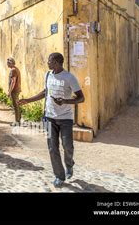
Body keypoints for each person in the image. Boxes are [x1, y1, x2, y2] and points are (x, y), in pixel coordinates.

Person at [19, 52, 85, 188]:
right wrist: (28, 100)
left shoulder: (69, 77)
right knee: (52, 148)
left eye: (49, 61)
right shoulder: (48, 75)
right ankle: (59, 176)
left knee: (67, 146)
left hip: (65, 118)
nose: (47, 63)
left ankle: (69, 164)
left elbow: (81, 98)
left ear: (56, 62)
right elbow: (45, 92)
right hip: (50, 117)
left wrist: (65, 101)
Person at [7, 57, 22, 125]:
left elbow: (13, 82)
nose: (7, 64)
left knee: (15, 105)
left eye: (8, 62)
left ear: (10, 63)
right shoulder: (16, 69)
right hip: (16, 89)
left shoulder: (13, 70)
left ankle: (17, 121)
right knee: (17, 105)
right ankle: (18, 119)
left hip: (14, 90)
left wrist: (9, 91)